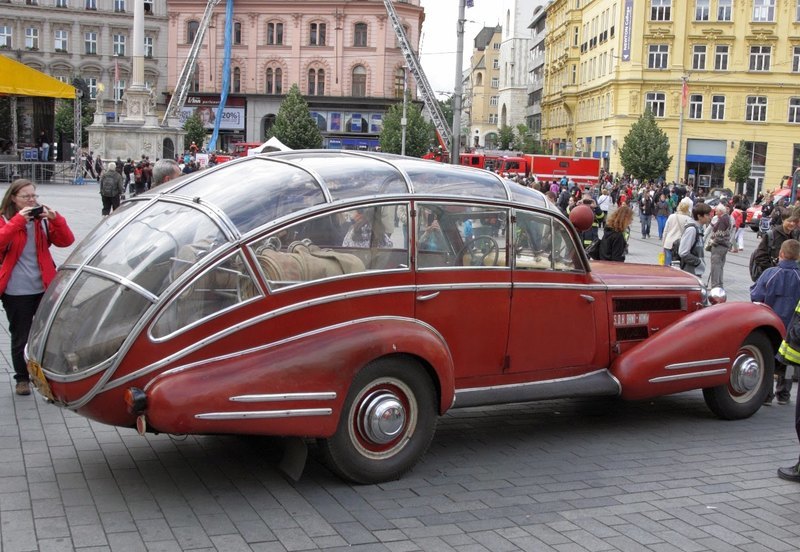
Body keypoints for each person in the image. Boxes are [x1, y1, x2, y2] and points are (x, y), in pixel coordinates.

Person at [0, 179, 75, 396]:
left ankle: (48, 375)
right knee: (21, 335)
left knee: (49, 333)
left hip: (44, 286)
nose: (32, 200)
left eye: (34, 196)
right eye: (27, 196)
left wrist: (56, 219)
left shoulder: (40, 221)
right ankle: (22, 379)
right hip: (16, 290)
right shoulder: (6, 219)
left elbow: (66, 241)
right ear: (14, 198)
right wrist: (17, 222)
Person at [750, 239, 800, 406]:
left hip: (771, 326)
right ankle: (784, 394)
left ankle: (766, 394)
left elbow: (756, 295)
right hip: (792, 329)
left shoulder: (770, 274)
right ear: (798, 257)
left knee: (769, 360)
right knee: (789, 363)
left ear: (781, 254)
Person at [751, 207, 800, 281]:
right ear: (783, 220)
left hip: (788, 277)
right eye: (789, 221)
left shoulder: (794, 235)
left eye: (794, 221)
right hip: (772, 277)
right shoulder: (772, 234)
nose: (792, 224)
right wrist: (772, 271)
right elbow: (760, 256)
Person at [678, 202, 712, 277]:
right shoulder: (692, 229)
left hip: (695, 271)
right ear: (699, 216)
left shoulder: (699, 229)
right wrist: (699, 263)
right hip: (690, 272)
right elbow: (683, 252)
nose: (710, 217)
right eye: (707, 215)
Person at [705, 204, 733, 289]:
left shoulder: (722, 220)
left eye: (716, 211)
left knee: (715, 267)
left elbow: (719, 235)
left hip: (719, 246)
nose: (715, 213)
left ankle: (715, 286)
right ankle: (720, 285)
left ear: (720, 212)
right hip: (724, 246)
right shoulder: (727, 218)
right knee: (720, 266)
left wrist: (713, 241)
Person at [662, 197, 692, 266]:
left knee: (667, 265)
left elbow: (665, 231)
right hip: (680, 245)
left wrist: (663, 244)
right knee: (677, 265)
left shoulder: (671, 216)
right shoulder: (688, 219)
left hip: (668, 243)